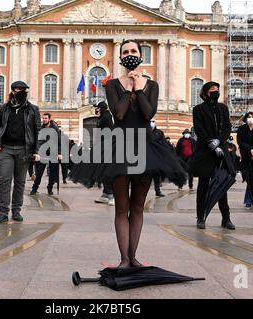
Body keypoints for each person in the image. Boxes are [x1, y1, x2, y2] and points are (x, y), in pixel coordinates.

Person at [70, 40, 186, 268]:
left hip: (146, 147)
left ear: (140, 56)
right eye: (126, 52)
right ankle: (124, 259)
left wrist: (139, 87)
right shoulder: (112, 84)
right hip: (119, 147)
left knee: (138, 207)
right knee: (122, 207)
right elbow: (120, 114)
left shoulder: (152, 85)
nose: (129, 54)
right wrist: (129, 87)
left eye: (133, 51)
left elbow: (148, 112)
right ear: (121, 57)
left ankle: (134, 257)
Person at [0, 81, 41, 224]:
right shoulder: (3, 108)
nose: (23, 93)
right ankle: (2, 212)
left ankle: (16, 210)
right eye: (20, 90)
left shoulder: (33, 109)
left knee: (20, 182)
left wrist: (36, 150)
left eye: (25, 90)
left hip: (23, 150)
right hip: (5, 149)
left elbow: (38, 130)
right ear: (13, 91)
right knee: (4, 180)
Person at [188, 81, 236, 230]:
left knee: (221, 185)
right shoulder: (198, 109)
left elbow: (227, 128)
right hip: (205, 152)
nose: (216, 91)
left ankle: (226, 218)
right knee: (203, 186)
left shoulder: (223, 108)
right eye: (212, 89)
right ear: (205, 93)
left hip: (221, 151)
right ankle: (201, 217)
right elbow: (199, 129)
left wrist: (219, 141)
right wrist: (211, 144)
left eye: (217, 89)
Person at [30, 113, 61, 196]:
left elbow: (59, 141)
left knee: (52, 172)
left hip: (53, 152)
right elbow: (38, 141)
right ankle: (34, 188)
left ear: (49, 119)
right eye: (43, 118)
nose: (44, 120)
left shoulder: (55, 128)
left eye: (46, 118)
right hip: (43, 152)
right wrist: (36, 152)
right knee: (39, 172)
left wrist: (59, 153)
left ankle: (49, 188)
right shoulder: (40, 128)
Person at [93, 101, 116, 205]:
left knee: (106, 171)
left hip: (106, 148)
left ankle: (111, 196)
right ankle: (105, 194)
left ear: (101, 108)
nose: (96, 110)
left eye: (98, 108)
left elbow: (110, 131)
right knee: (102, 171)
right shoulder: (103, 117)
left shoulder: (106, 117)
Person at [150, 119, 167, 197]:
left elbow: (164, 144)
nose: (151, 123)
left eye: (153, 121)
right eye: (150, 121)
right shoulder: (143, 131)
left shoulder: (159, 133)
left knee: (157, 175)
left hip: (156, 156)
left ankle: (158, 190)